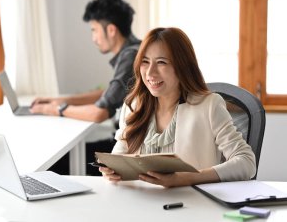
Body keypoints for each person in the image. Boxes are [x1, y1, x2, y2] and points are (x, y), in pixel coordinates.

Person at [100, 27, 256, 187]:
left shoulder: (209, 106)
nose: (150, 73)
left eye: (161, 62)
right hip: (142, 204)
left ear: (182, 66)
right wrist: (111, 170)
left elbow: (247, 162)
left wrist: (187, 178)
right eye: (145, 62)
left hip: (192, 204)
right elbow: (119, 156)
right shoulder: (134, 105)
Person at [30, 0, 141, 175]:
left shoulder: (130, 57)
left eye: (94, 30)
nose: (93, 38)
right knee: (65, 157)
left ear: (111, 30)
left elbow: (100, 112)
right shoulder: (135, 49)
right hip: (126, 145)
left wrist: (57, 109)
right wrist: (55, 100)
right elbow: (106, 94)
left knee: (55, 165)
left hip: (129, 153)